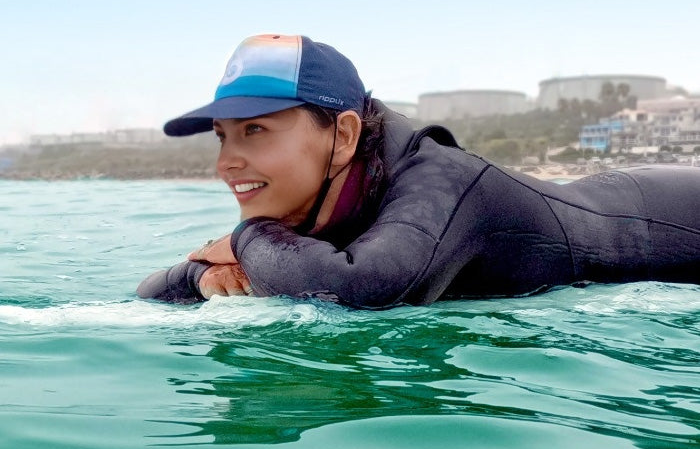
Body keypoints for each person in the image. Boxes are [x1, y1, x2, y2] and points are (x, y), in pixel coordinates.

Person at [137, 33, 700, 308]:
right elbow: (151, 296)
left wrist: (249, 237)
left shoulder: (444, 184)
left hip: (674, 220)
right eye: (223, 136)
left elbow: (366, 286)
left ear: (345, 136)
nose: (227, 161)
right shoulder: (322, 196)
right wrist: (202, 275)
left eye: (255, 130)